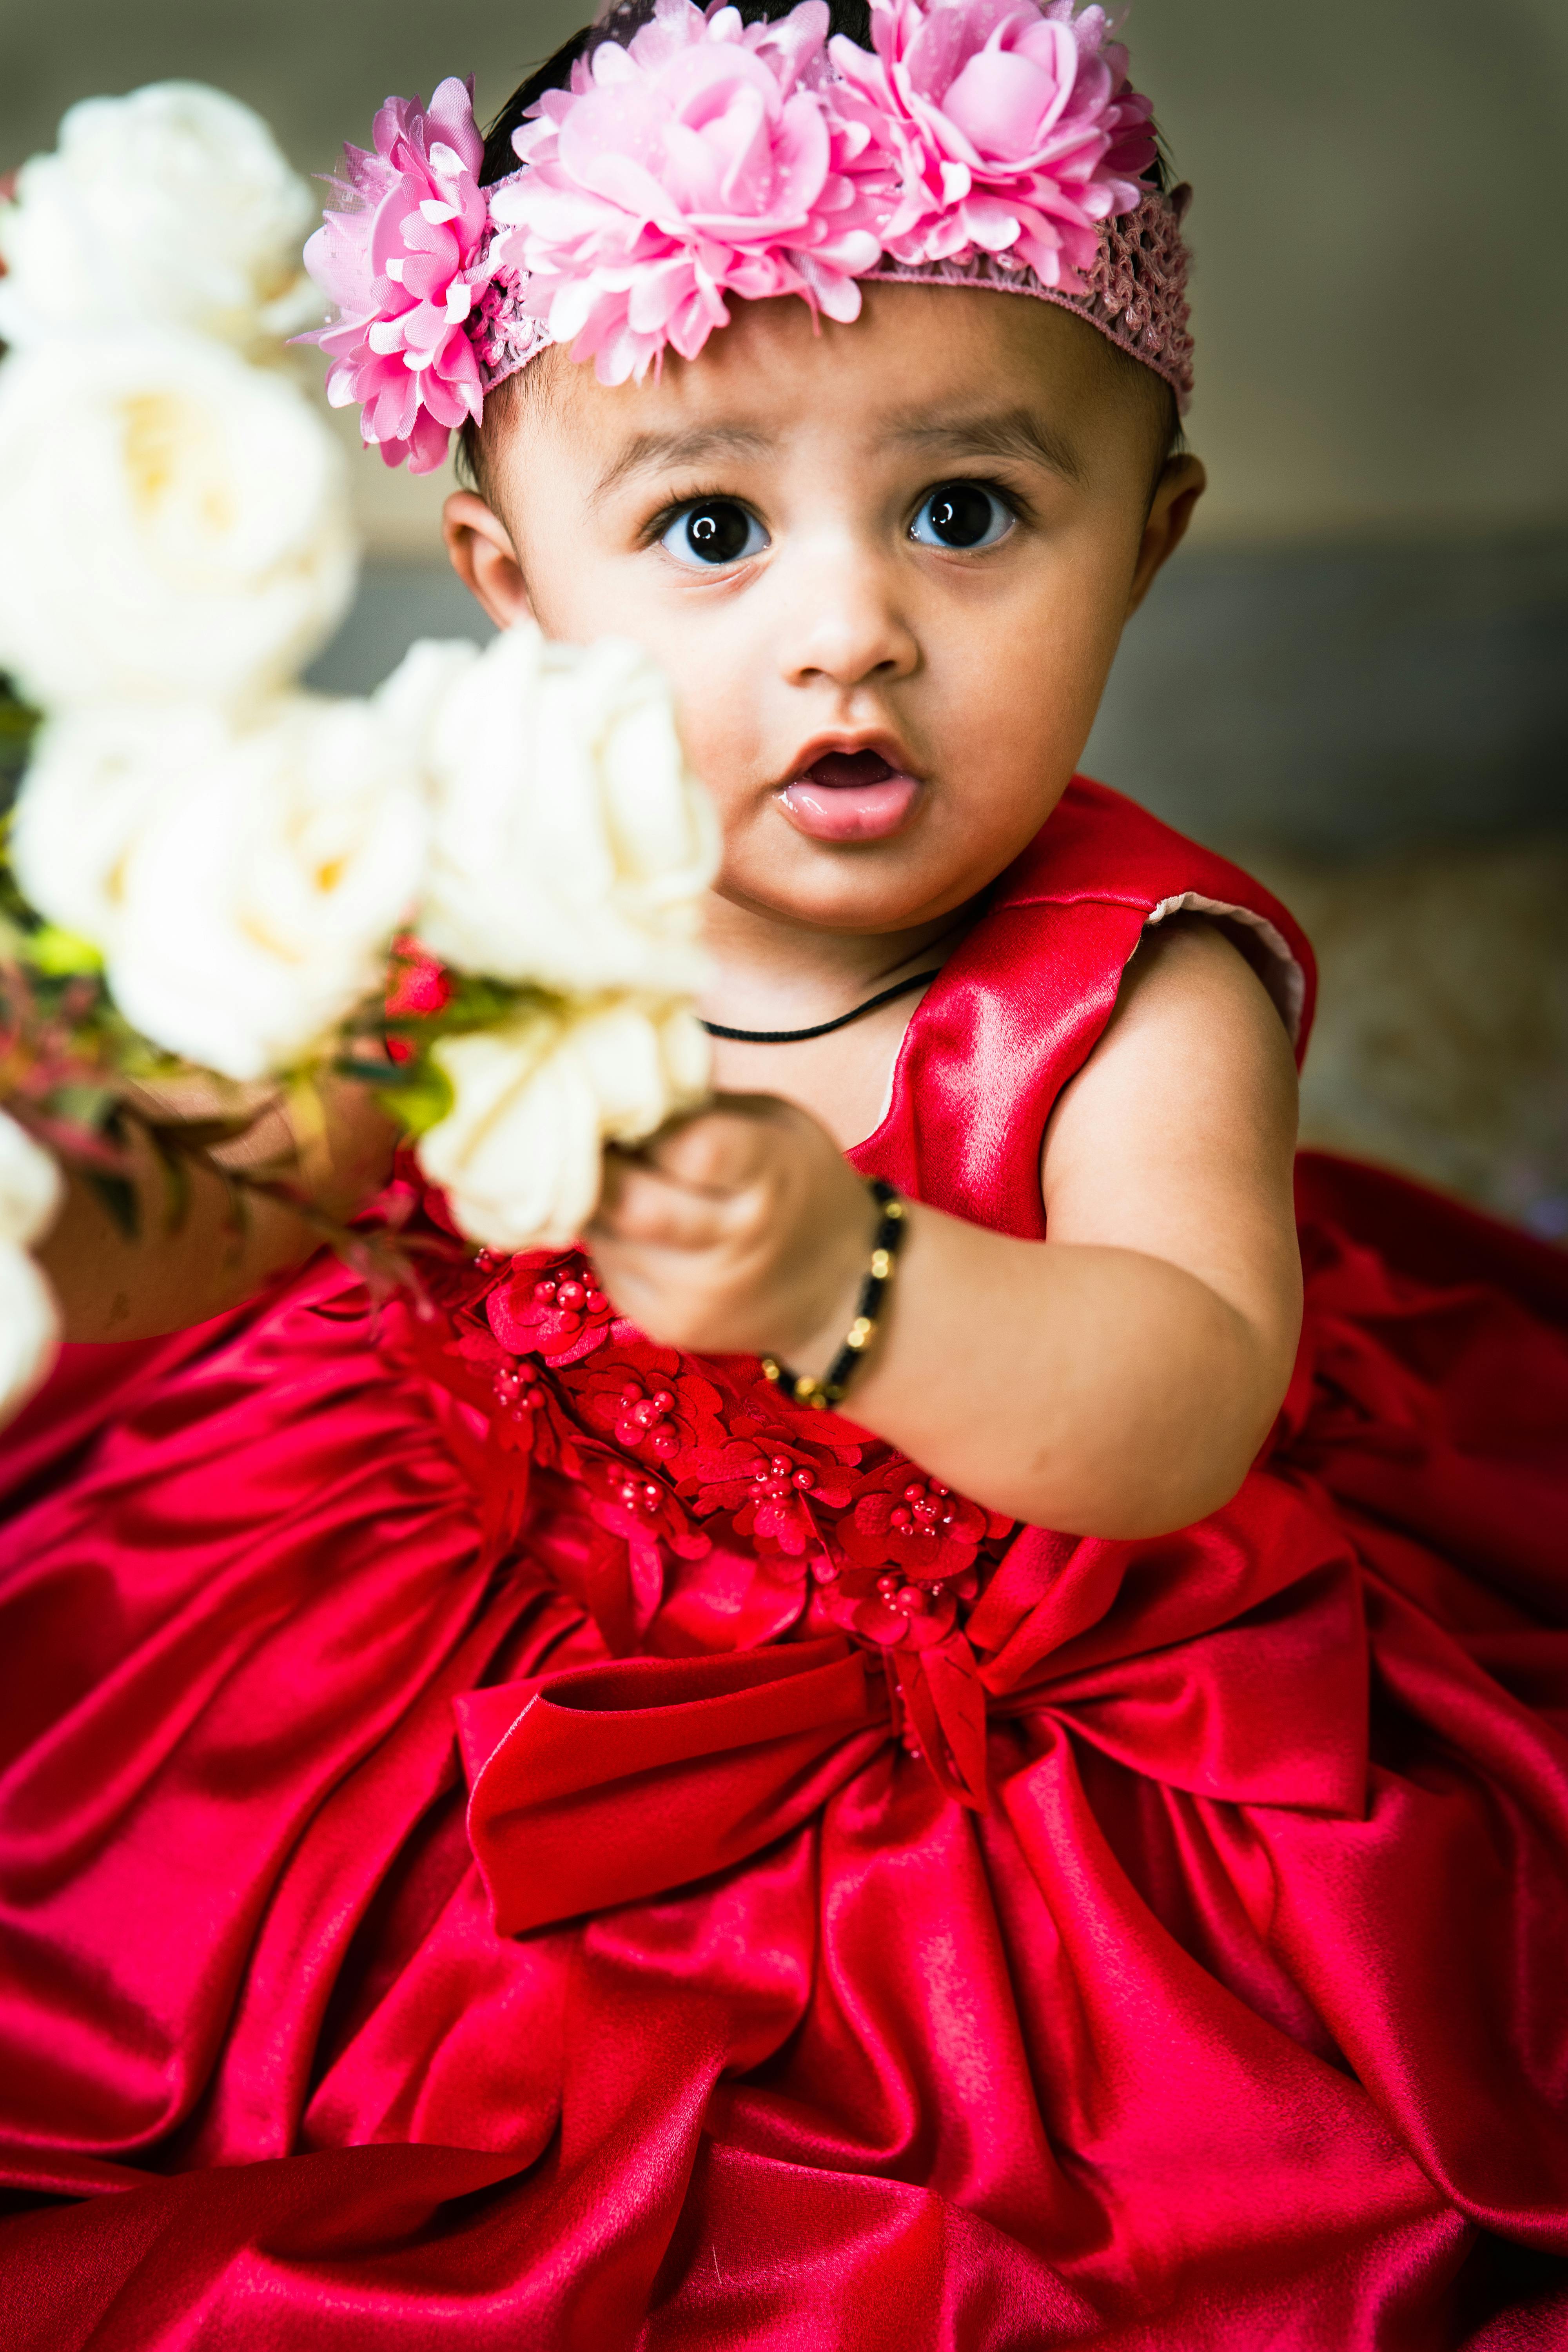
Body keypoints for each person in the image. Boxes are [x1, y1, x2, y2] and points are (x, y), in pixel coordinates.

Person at [2, 1, 1566, 2342]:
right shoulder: (454, 868)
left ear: (1148, 541)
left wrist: (863, 1280)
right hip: (475, 1613)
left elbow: (1185, 1393)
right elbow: (294, 1181)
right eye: (710, 528)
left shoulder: (1141, 990)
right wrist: (103, 1194)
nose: (851, 631)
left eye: (965, 511)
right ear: (506, 575)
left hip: (1019, 1717)